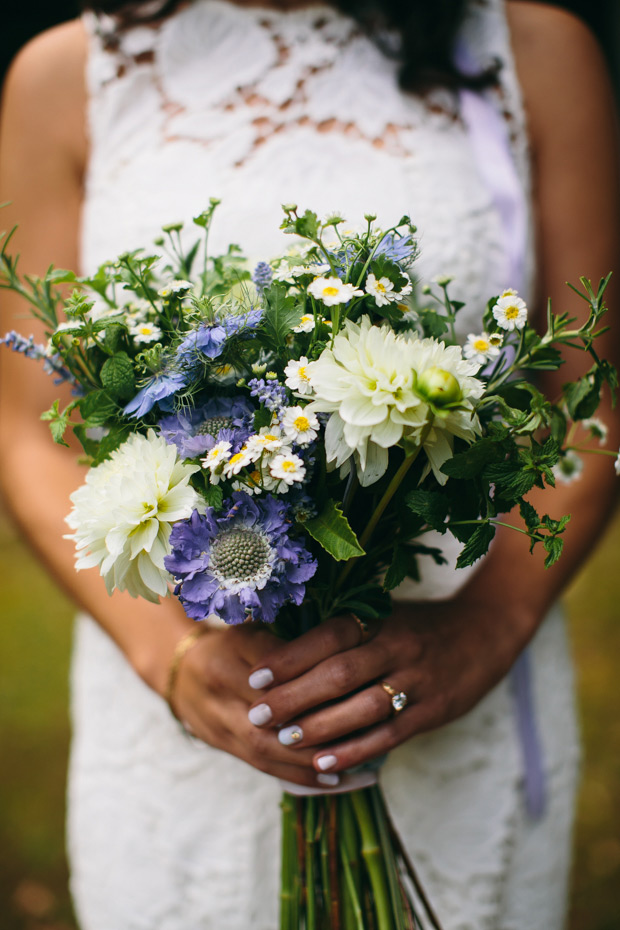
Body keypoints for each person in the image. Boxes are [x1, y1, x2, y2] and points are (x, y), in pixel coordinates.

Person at [0, 0, 618, 927]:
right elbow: (28, 422)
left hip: (456, 684)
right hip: (184, 710)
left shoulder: (530, 49)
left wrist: (491, 623)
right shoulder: (71, 72)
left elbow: (593, 401)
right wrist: (174, 658)